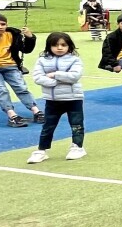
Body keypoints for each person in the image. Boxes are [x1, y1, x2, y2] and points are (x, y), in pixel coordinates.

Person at [28, 32, 86, 163]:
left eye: (63, 45)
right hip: (52, 100)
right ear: (49, 46)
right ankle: (41, 150)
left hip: (73, 99)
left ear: (69, 46)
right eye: (55, 45)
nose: (59, 48)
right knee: (48, 125)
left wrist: (55, 74)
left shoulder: (75, 60)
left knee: (76, 124)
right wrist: (55, 82)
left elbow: (74, 76)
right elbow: (38, 77)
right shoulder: (42, 60)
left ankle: (77, 147)